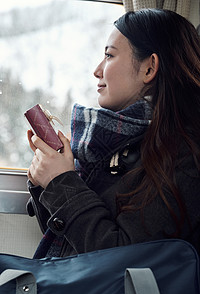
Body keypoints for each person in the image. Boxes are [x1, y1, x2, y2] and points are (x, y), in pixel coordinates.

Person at [26, 8, 200, 258]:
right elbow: (71, 240)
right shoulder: (115, 145)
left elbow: (119, 259)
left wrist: (61, 181)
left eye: (109, 56)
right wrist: (45, 181)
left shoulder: (185, 156)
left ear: (149, 68)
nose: (97, 70)